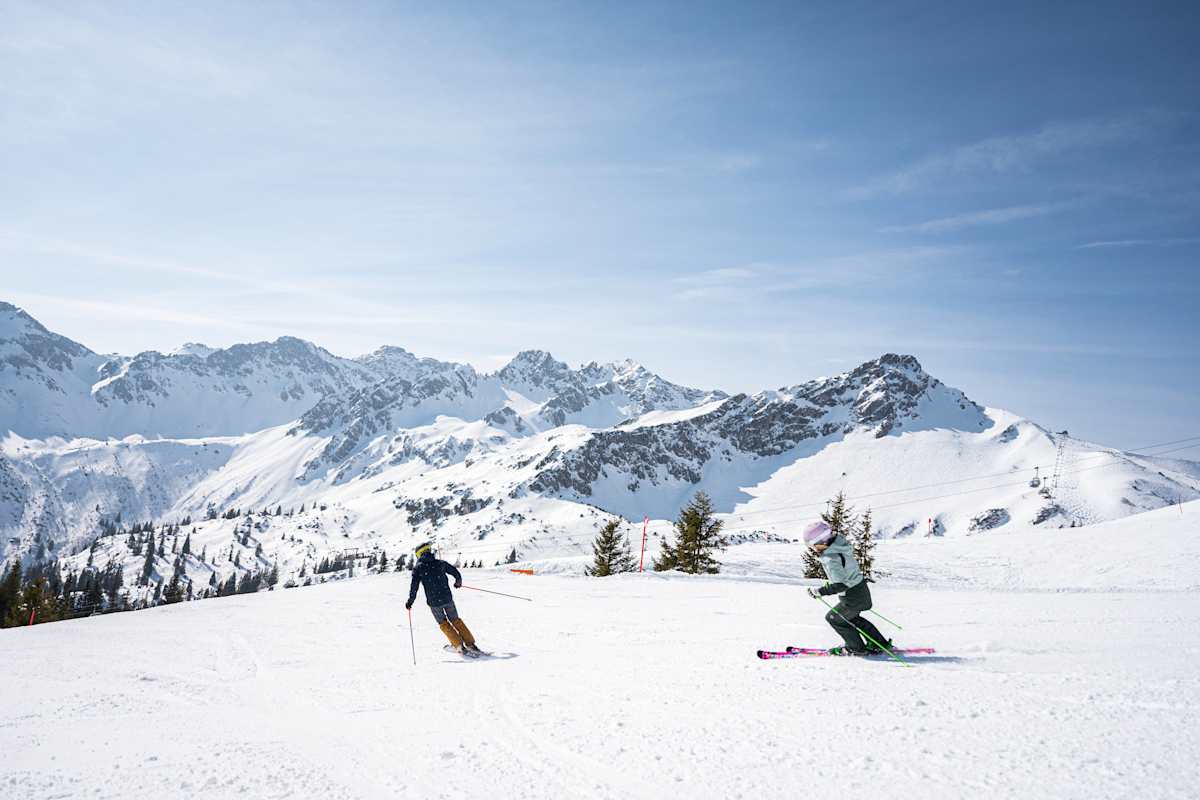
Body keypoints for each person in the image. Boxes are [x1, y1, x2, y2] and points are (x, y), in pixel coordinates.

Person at [802, 520, 894, 656]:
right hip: (860, 591)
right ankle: (879, 643)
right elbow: (843, 577)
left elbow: (840, 585)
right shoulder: (838, 546)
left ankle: (856, 648)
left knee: (834, 618)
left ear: (821, 541)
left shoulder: (831, 557)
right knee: (852, 618)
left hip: (852, 597)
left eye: (812, 545)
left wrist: (819, 592)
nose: (813, 548)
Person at [405, 542, 482, 656]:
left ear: (419, 554)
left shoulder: (418, 568)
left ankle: (458, 645)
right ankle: (470, 644)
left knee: (443, 623)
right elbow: (455, 572)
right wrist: (458, 582)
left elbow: (414, 588)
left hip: (434, 602)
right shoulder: (440, 563)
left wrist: (410, 602)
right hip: (447, 598)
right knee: (456, 620)